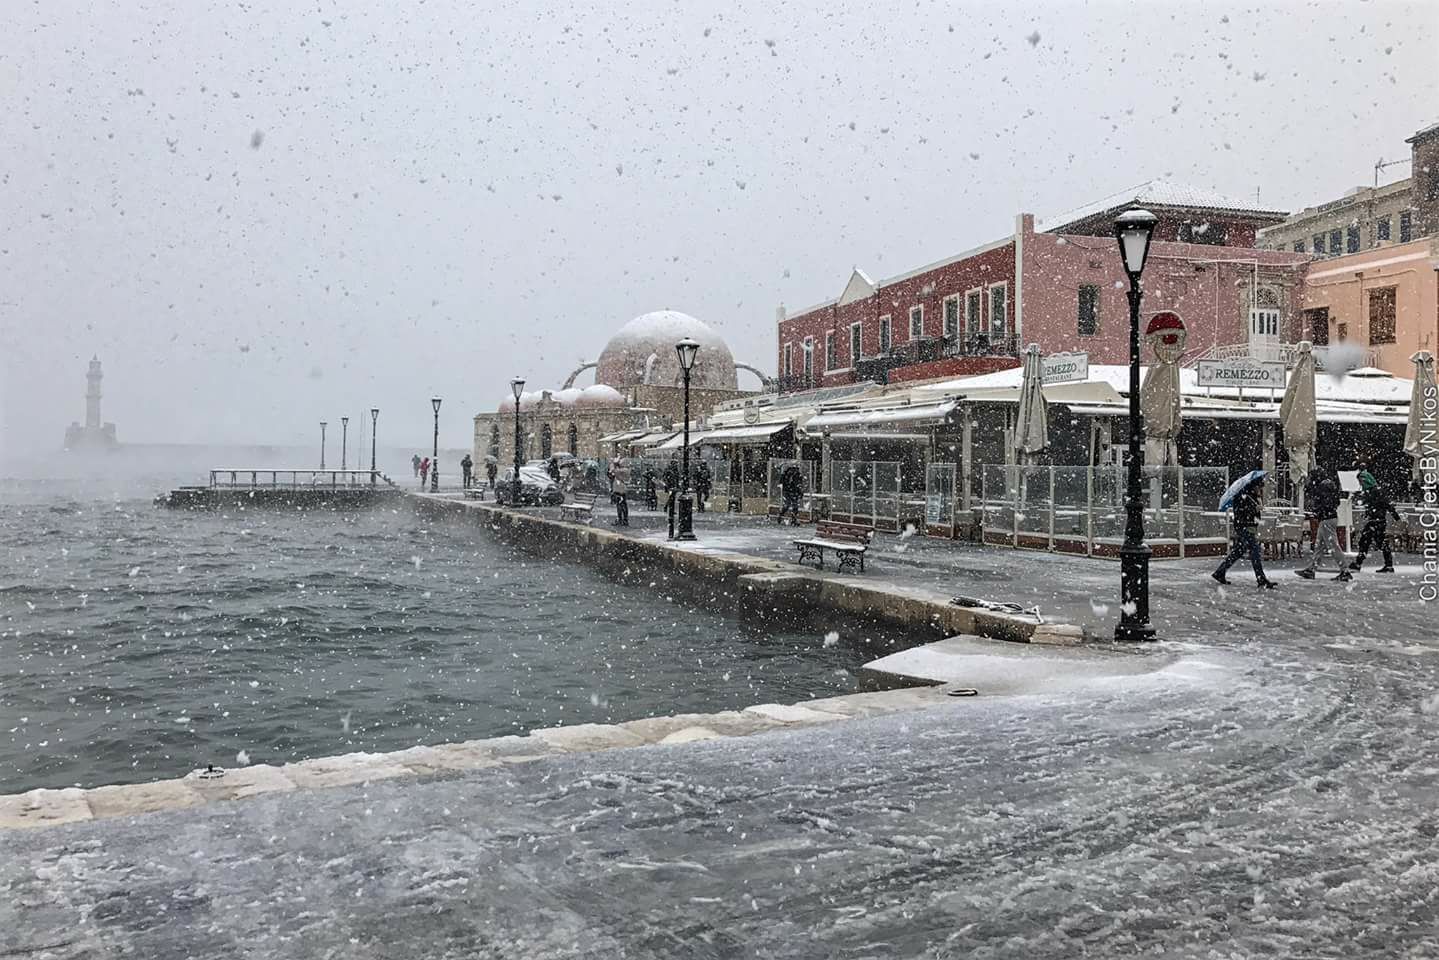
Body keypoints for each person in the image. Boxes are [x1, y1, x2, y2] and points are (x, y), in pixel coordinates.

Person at [1213, 476, 1276, 588]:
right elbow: (1241, 512)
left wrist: (1257, 506)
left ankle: (1220, 572)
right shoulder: (1243, 496)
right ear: (1254, 486)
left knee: (1238, 551)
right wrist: (1254, 509)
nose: (1260, 490)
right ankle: (1261, 579)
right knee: (1255, 551)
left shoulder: (1251, 496)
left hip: (1248, 526)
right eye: (1259, 487)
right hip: (1244, 527)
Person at [1296, 469, 1350, 581]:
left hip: (1326, 519)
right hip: (1329, 518)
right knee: (1319, 546)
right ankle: (1311, 569)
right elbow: (1335, 502)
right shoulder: (1330, 485)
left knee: (1333, 546)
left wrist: (1317, 511)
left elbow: (1324, 503)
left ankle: (1345, 570)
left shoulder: (1322, 487)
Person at [1350, 470, 1399, 573]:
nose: (1360, 484)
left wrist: (1396, 516)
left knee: (1368, 541)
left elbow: (1385, 504)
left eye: (1360, 481)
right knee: (1372, 542)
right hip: (1377, 520)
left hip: (1376, 521)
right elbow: (1382, 504)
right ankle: (1388, 565)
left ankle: (1359, 563)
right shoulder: (1374, 490)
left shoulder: (1375, 491)